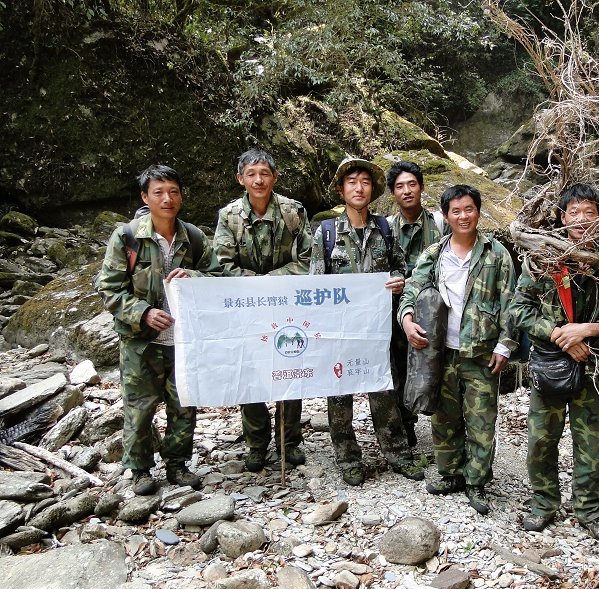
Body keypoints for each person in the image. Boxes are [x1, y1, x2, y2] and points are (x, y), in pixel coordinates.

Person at [509, 184, 599, 539]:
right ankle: (543, 503)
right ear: (562, 218)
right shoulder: (542, 259)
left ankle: (590, 510)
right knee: (541, 439)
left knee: (590, 441)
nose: (581, 219)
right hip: (550, 363)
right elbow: (519, 309)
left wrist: (589, 329)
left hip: (593, 366)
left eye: (589, 212)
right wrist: (559, 334)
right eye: (573, 212)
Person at [97, 164, 220, 495]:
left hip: (182, 340)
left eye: (174, 192)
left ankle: (178, 464)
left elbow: (219, 278)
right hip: (141, 342)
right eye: (159, 192)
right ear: (145, 197)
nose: (167, 199)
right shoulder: (126, 237)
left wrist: (193, 277)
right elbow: (109, 288)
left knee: (183, 404)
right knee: (140, 406)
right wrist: (144, 312)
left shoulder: (193, 237)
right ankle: (139, 469)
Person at [399, 184, 517, 515]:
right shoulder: (435, 254)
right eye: (456, 211)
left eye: (469, 209)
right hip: (442, 351)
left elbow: (511, 303)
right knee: (444, 417)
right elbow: (412, 288)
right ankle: (450, 473)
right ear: (446, 216)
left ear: (478, 212)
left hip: (480, 353)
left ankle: (476, 481)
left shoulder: (496, 254)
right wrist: (407, 320)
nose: (463, 216)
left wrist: (505, 344)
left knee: (481, 420)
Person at [308, 157, 424, 486]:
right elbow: (316, 286)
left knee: (384, 392)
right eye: (351, 182)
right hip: (340, 332)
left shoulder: (385, 230)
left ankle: (398, 454)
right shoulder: (326, 233)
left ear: (372, 190)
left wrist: (399, 281)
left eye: (365, 182)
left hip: (377, 330)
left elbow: (403, 269)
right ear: (341, 189)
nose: (359, 188)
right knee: (339, 397)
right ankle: (347, 458)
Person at [213, 148, 313, 473]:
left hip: (287, 306)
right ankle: (257, 443)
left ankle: (290, 441)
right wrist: (257, 287)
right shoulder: (228, 217)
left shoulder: (293, 211)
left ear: (275, 176)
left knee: (290, 368)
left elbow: (308, 261)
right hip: (245, 309)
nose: (259, 180)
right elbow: (222, 266)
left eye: (265, 173)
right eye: (252, 173)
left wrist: (270, 282)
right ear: (240, 178)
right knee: (250, 373)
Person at [385, 160, 446, 446]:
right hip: (398, 308)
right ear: (392, 193)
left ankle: (444, 426)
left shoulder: (440, 223)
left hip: (438, 308)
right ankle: (406, 424)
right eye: (400, 186)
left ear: (421, 187)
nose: (407, 191)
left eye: (412, 184)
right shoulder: (386, 229)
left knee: (440, 363)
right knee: (398, 365)